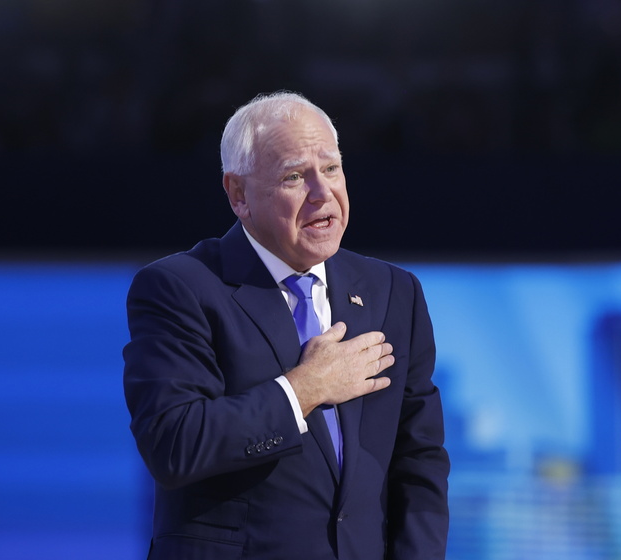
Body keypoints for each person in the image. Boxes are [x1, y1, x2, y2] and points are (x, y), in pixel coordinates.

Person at [122, 91, 450, 560]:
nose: (323, 193)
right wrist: (303, 389)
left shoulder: (393, 291)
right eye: (295, 176)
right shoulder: (181, 288)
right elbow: (174, 444)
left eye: (332, 169)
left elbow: (419, 460)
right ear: (238, 194)